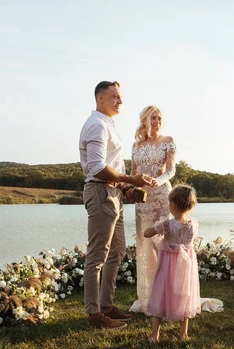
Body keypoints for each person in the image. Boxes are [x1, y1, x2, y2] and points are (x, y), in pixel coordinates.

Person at [79, 80, 152, 330]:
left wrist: (126, 188)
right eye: (115, 97)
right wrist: (130, 178)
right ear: (100, 98)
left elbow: (110, 166)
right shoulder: (97, 126)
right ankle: (94, 315)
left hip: (113, 194)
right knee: (97, 256)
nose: (120, 101)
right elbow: (97, 168)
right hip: (100, 194)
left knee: (118, 251)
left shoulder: (108, 125)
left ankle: (107, 306)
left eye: (121, 97)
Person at [128, 105, 177, 314]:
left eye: (159, 118)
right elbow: (132, 173)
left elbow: (172, 169)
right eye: (153, 118)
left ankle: (169, 298)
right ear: (144, 121)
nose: (157, 121)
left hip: (162, 196)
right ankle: (148, 298)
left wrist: (159, 180)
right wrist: (131, 189)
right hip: (143, 201)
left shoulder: (168, 141)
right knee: (145, 245)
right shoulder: (136, 146)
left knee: (163, 245)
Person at [143, 184, 201, 342]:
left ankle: (155, 334)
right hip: (185, 265)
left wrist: (155, 227)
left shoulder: (167, 224)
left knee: (161, 293)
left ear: (173, 206)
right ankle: (183, 334)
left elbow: (147, 233)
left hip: (168, 264)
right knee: (184, 294)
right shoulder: (193, 225)